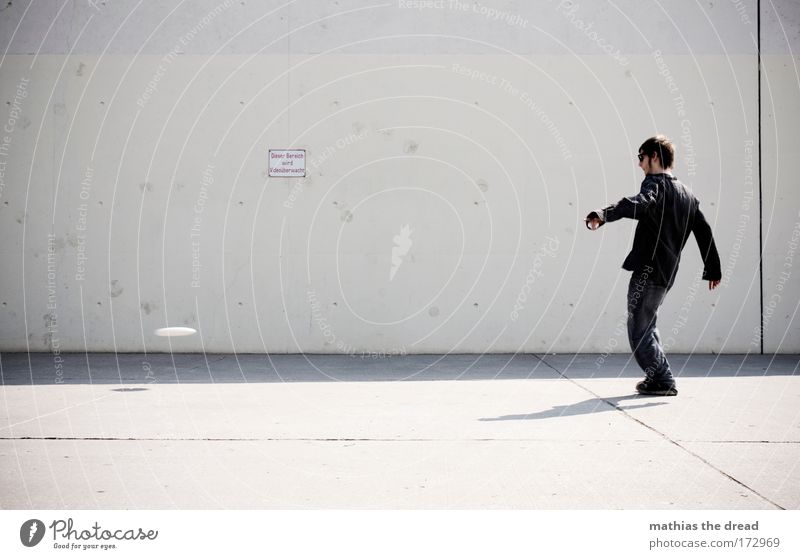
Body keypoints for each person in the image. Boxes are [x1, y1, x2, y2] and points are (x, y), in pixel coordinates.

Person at [585, 135, 721, 396]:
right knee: (649, 325)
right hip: (667, 273)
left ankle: (663, 379)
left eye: (641, 157)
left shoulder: (654, 185)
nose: (639, 164)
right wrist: (713, 269)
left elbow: (639, 203)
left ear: (654, 157)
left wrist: (604, 214)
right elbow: (704, 232)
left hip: (648, 271)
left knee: (639, 330)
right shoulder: (688, 195)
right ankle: (656, 378)